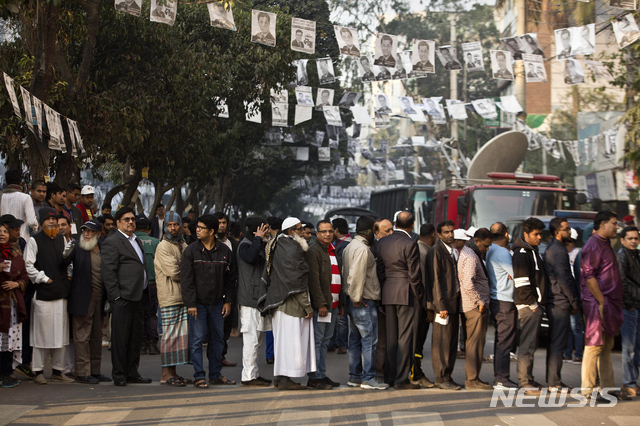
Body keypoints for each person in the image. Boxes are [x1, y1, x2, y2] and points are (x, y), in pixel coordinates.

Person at [258, 217, 314, 390]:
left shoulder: (279, 244)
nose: (302, 232)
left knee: (283, 343)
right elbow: (296, 280)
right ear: (290, 232)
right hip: (290, 304)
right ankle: (285, 379)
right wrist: (307, 305)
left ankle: (281, 377)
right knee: (291, 343)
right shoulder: (290, 248)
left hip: (280, 302)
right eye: (299, 229)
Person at [180, 214, 236, 389]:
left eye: (201, 228)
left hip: (218, 303)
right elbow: (186, 280)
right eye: (197, 227)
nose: (197, 230)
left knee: (218, 339)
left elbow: (231, 278)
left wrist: (228, 301)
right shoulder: (190, 251)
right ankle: (198, 376)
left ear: (211, 231)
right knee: (197, 340)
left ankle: (215, 374)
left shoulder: (225, 251)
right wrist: (191, 304)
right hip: (198, 304)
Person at [101, 207, 152, 386]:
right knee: (120, 339)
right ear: (118, 223)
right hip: (122, 298)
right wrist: (115, 297)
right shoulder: (113, 241)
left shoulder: (135, 239)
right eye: (126, 219)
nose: (131, 222)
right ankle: (119, 374)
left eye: (132, 219)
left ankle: (132, 372)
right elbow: (108, 272)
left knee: (134, 338)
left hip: (139, 296)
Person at [24, 208, 74, 384]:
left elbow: (63, 262)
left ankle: (57, 371)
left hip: (60, 293)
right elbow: (29, 266)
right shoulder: (34, 241)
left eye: (54, 219)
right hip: (43, 294)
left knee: (60, 334)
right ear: (42, 221)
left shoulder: (61, 239)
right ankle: (37, 370)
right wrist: (43, 279)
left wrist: (67, 254)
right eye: (48, 219)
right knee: (40, 335)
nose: (52, 222)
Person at [580, 211, 627, 401]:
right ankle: (587, 391)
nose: (617, 227)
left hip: (608, 304)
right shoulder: (593, 245)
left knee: (606, 346)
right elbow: (588, 276)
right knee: (593, 346)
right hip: (597, 304)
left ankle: (608, 388)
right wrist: (601, 301)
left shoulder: (605, 244)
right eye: (614, 223)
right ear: (602, 224)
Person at [377, 212, 422, 389]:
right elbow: (414, 275)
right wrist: (419, 296)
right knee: (405, 337)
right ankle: (402, 379)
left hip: (388, 290)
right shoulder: (410, 243)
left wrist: (383, 290)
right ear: (412, 225)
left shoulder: (382, 242)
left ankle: (389, 376)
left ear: (395, 223)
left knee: (391, 337)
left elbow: (380, 271)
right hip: (406, 292)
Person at [342, 215, 388, 390]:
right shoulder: (362, 249)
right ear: (369, 231)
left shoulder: (350, 246)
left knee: (355, 341)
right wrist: (356, 298)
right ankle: (369, 377)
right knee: (369, 341)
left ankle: (355, 376)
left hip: (354, 301)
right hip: (363, 301)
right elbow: (356, 276)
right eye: (374, 230)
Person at [66, 219, 110, 385]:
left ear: (98, 234)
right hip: (82, 299)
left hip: (100, 299)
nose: (86, 233)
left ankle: (95, 371)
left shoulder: (104, 249)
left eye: (90, 231)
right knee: (82, 337)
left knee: (96, 337)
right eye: (84, 230)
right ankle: (82, 373)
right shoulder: (77, 247)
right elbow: (63, 262)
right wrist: (65, 252)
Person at [305, 220, 343, 390]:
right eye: (323, 231)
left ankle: (321, 374)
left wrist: (339, 302)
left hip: (333, 304)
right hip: (323, 306)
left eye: (330, 231)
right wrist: (320, 304)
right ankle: (314, 377)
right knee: (318, 341)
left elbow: (336, 276)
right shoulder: (314, 251)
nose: (327, 234)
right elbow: (313, 280)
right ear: (317, 233)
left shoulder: (331, 249)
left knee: (325, 340)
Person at [543, 217, 580, 391]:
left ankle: (554, 380)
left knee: (556, 342)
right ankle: (554, 382)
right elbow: (564, 279)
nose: (569, 231)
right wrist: (574, 302)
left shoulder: (555, 248)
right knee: (558, 343)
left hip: (557, 301)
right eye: (566, 229)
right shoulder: (557, 251)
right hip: (559, 302)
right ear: (557, 232)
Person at [512, 217, 547, 395]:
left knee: (531, 345)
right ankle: (524, 382)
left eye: (541, 234)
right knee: (526, 345)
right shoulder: (522, 253)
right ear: (525, 234)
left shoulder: (532, 251)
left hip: (533, 305)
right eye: (536, 234)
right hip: (528, 306)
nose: (539, 237)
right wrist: (533, 304)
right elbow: (521, 282)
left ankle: (529, 379)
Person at [154, 212, 189, 387]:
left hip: (181, 298)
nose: (173, 228)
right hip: (169, 298)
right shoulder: (163, 246)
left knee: (177, 339)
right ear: (165, 227)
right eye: (170, 225)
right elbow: (175, 272)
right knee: (168, 338)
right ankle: (165, 375)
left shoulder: (182, 243)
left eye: (176, 224)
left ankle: (173, 373)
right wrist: (188, 269)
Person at [426, 220, 462, 390]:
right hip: (443, 305)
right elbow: (436, 282)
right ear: (438, 234)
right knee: (442, 342)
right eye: (446, 232)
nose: (450, 235)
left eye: (451, 231)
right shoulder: (436, 251)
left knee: (451, 341)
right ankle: (440, 377)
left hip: (454, 303)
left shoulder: (453, 251)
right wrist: (441, 306)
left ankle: (447, 375)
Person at [237, 217, 271, 387]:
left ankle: (254, 374)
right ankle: (248, 376)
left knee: (257, 340)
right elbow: (250, 258)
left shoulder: (261, 244)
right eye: (264, 229)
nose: (268, 232)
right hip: (248, 300)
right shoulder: (244, 245)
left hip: (258, 299)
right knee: (250, 340)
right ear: (256, 230)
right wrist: (258, 238)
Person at [457, 228, 493, 390]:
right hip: (474, 307)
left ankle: (473, 378)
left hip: (472, 305)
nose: (486, 249)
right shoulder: (471, 256)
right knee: (475, 344)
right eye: (485, 246)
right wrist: (479, 301)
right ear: (477, 240)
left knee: (473, 343)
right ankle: (472, 379)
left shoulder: (468, 251)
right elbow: (468, 284)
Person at [486, 222, 518, 389]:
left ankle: (500, 376)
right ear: (506, 234)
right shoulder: (503, 253)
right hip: (505, 299)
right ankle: (501, 378)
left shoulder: (489, 249)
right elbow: (515, 275)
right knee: (505, 341)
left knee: (501, 340)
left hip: (496, 298)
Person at [0, 216, 29, 388]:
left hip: (12, 303)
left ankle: (6, 372)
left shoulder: (15, 252)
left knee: (9, 339)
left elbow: (24, 275)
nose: (2, 235)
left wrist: (16, 283)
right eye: (0, 232)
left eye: (5, 232)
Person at [213, 211, 239, 366]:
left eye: (224, 222)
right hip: (212, 290)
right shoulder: (208, 242)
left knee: (226, 325)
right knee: (214, 327)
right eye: (219, 222)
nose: (221, 225)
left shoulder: (232, 243)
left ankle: (221, 356)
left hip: (230, 290)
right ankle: (214, 358)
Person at [617, 226, 640, 397]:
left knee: (636, 348)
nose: (633, 241)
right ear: (622, 240)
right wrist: (630, 304)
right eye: (630, 238)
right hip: (630, 308)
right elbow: (621, 282)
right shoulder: (622, 256)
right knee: (629, 348)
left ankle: (633, 382)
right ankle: (628, 383)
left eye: (636, 238)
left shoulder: (636, 255)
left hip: (637, 306)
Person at [413, 223, 436, 388]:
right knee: (418, 342)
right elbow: (423, 282)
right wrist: (428, 307)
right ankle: (416, 373)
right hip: (421, 306)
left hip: (419, 304)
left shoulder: (422, 249)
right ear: (434, 235)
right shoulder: (423, 252)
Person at [134, 217, 160, 355]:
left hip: (136, 285)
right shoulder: (156, 242)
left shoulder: (132, 241)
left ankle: (142, 343)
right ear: (149, 229)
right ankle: (153, 343)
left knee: (139, 314)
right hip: (153, 284)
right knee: (151, 314)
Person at [329, 218, 351, 354]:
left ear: (336, 230)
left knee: (341, 316)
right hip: (338, 283)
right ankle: (335, 342)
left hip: (341, 284)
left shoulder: (345, 245)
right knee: (337, 316)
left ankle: (342, 343)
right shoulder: (340, 243)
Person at [0, 170, 38, 241]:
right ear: (21, 182)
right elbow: (32, 222)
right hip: (21, 239)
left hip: (4, 240)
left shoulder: (1, 196)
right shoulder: (26, 197)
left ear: (7, 183)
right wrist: (36, 228)